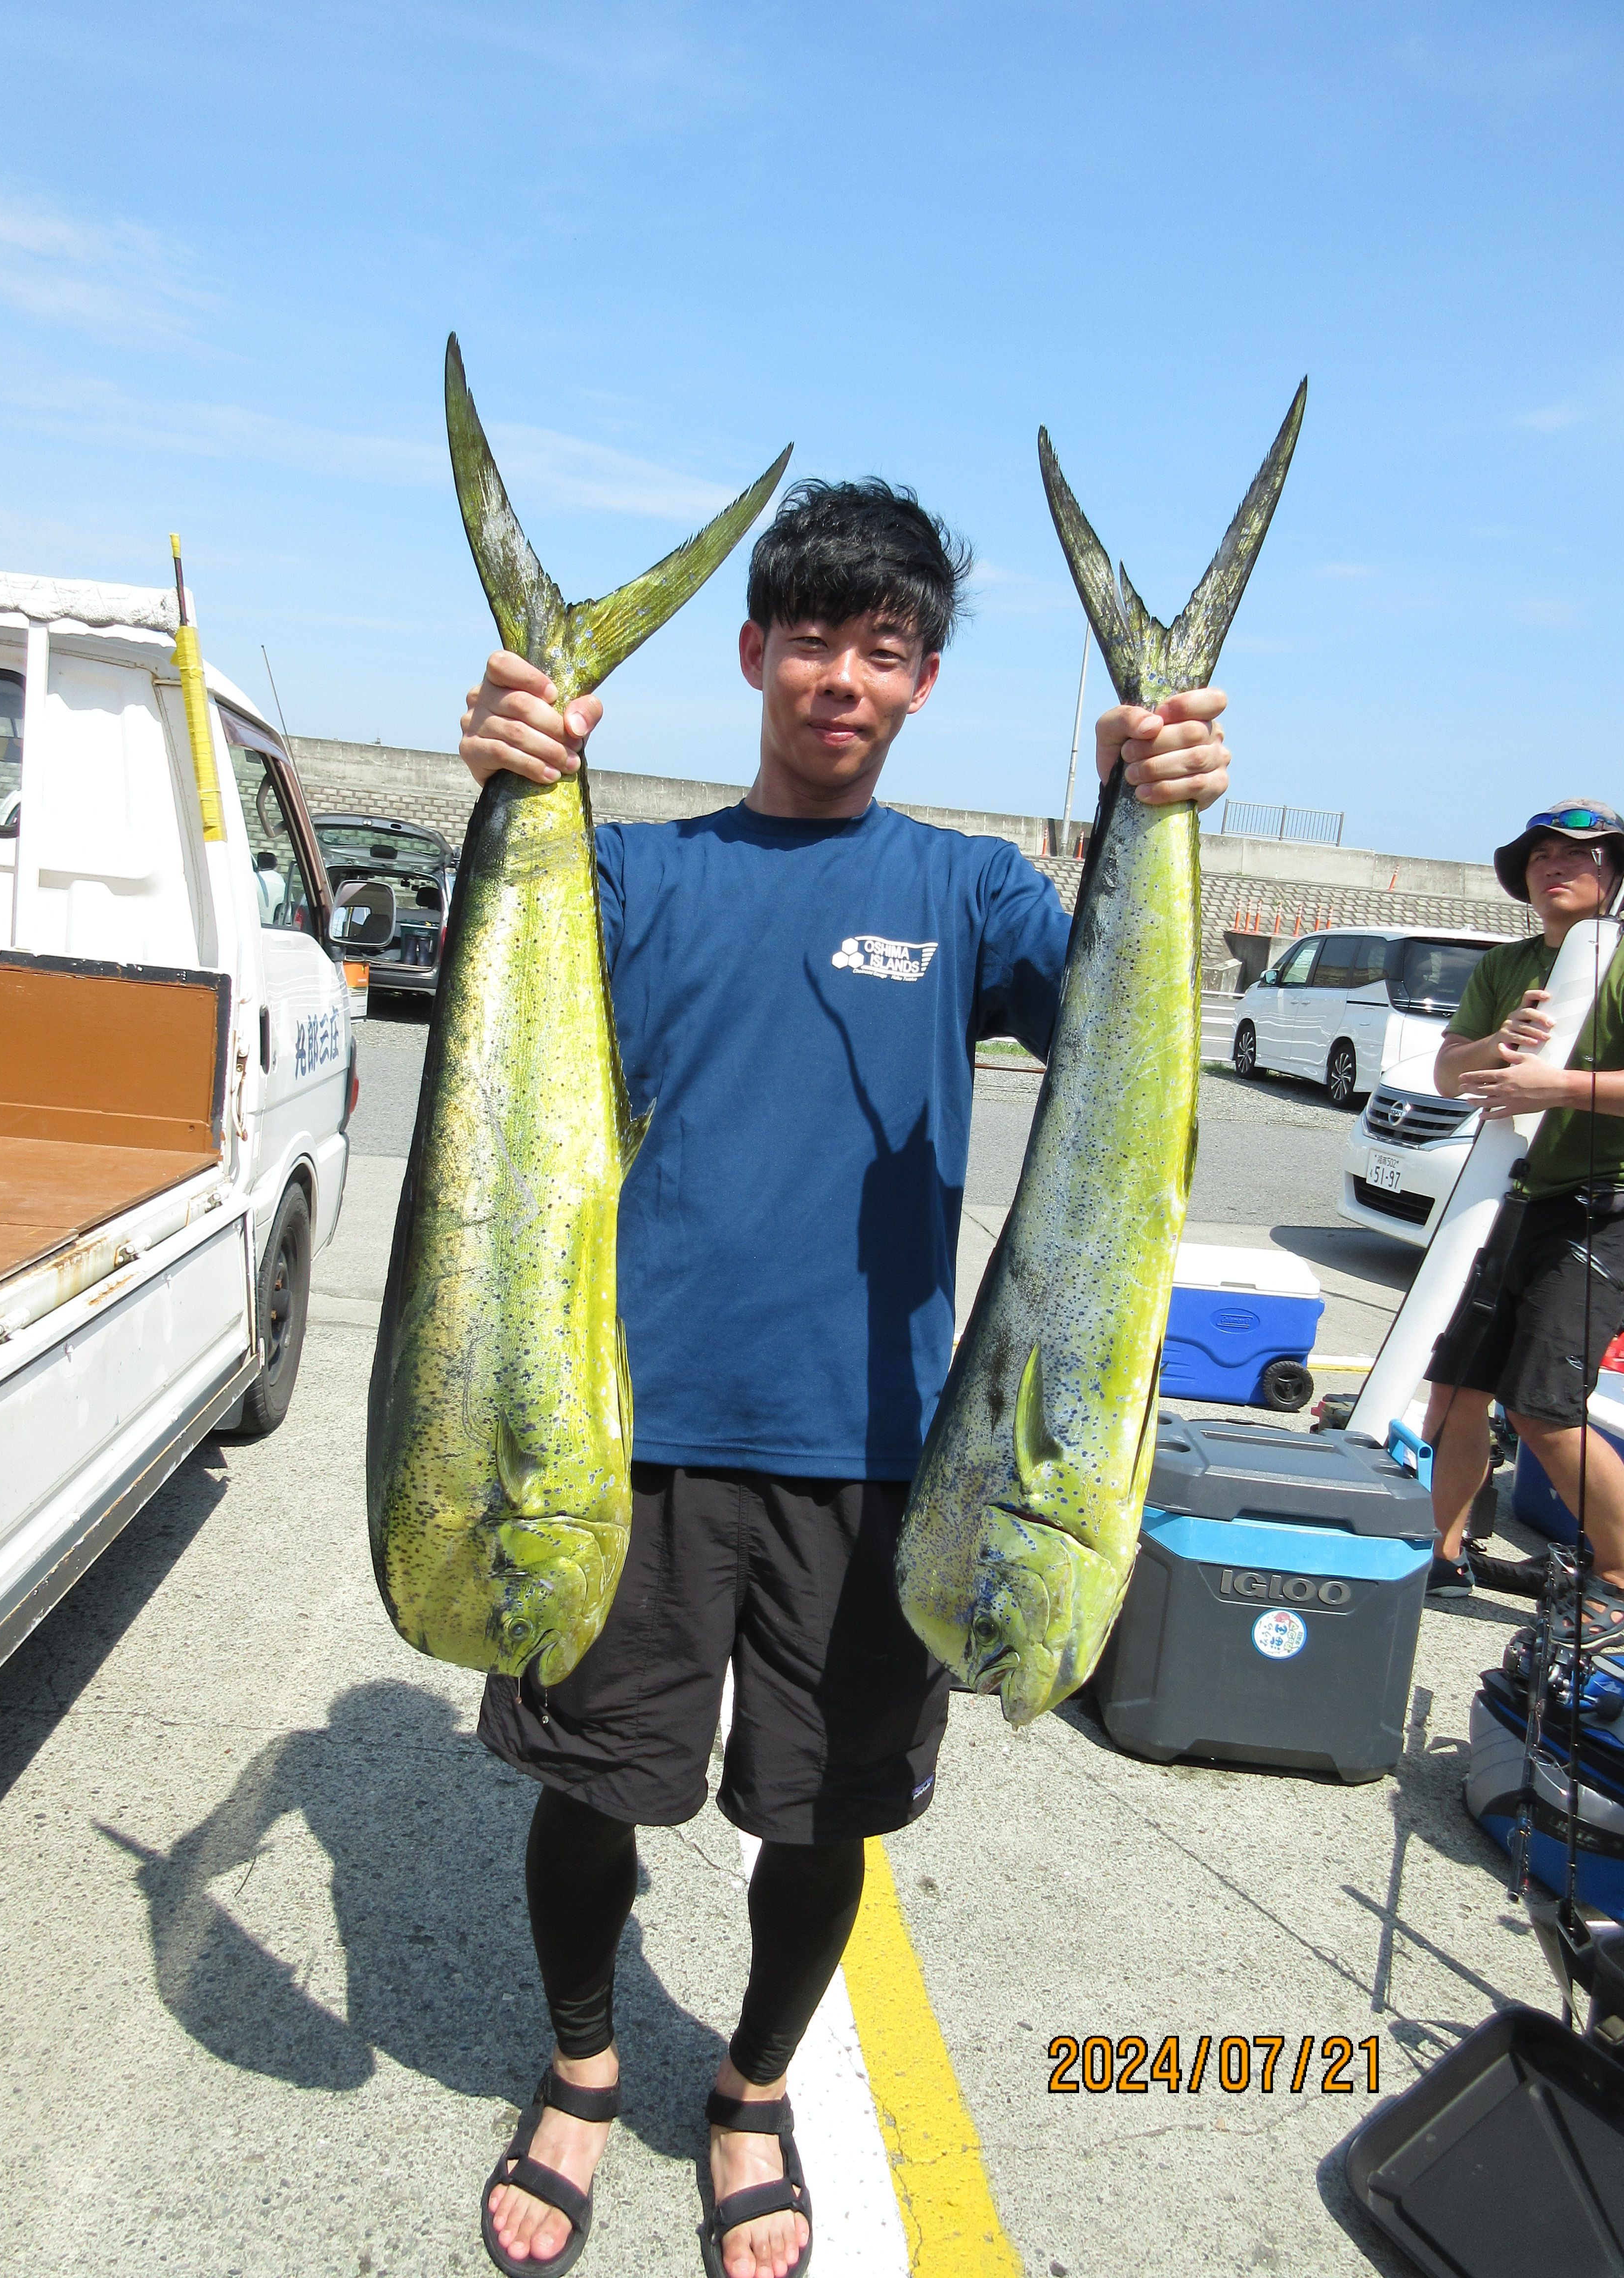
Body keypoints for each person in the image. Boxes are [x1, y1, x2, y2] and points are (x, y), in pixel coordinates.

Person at [457, 480, 1230, 2278]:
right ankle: (583, 2068)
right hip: (622, 1445)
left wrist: (1156, 805)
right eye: (811, 640)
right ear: (752, 653)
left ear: (923, 683)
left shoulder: (972, 891)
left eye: (884, 651)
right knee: (591, 1787)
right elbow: (489, 1011)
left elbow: (1130, 1026)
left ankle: (748, 2091)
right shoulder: (630, 872)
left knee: (823, 1814)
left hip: (884, 1459)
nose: (842, 679)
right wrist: (506, 777)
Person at [1423, 801, 1624, 1608]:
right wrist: (1495, 1044)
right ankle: (1439, 1554)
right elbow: (1448, 1073)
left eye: (1582, 854)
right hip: (1507, 1198)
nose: (1557, 866)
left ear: (1616, 874)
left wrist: (1559, 1086)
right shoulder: (1506, 967)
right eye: (1542, 855)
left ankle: (1618, 1573)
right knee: (1455, 1391)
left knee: (1543, 1410)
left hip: (1603, 1210)